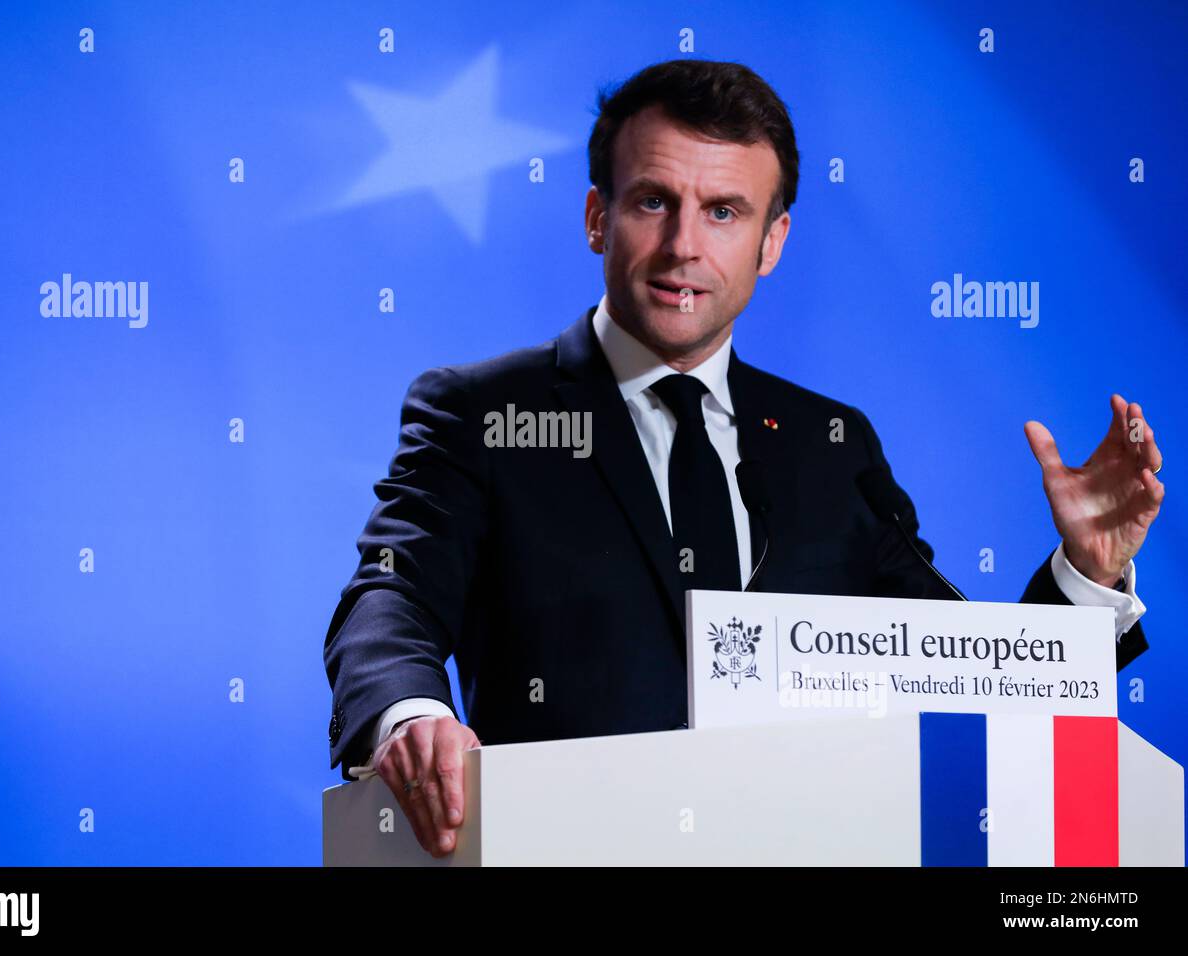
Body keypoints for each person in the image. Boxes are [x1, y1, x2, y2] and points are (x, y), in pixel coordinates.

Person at [324, 59, 1165, 859]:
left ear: (773, 241)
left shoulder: (830, 445)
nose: (685, 245)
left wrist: (1087, 577)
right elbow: (393, 594)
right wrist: (409, 715)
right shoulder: (482, 413)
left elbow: (957, 670)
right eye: (654, 202)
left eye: (724, 211)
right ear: (595, 218)